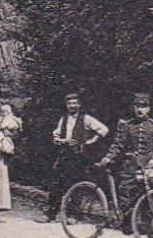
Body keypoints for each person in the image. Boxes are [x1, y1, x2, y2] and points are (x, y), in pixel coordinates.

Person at [97, 92, 153, 222]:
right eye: (137, 106)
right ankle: (126, 229)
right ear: (133, 107)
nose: (140, 109)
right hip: (129, 167)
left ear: (149, 108)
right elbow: (117, 144)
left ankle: (145, 232)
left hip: (147, 167)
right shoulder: (126, 125)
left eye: (143, 106)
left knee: (148, 197)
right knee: (126, 196)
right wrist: (108, 157)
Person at [43, 92, 109, 223]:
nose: (72, 106)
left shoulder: (86, 118)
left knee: (76, 185)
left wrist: (90, 142)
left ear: (79, 105)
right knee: (56, 184)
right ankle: (50, 214)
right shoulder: (63, 119)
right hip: (64, 155)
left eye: (74, 103)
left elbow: (104, 130)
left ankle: (73, 215)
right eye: (69, 103)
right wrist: (62, 141)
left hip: (79, 157)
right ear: (66, 105)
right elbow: (55, 136)